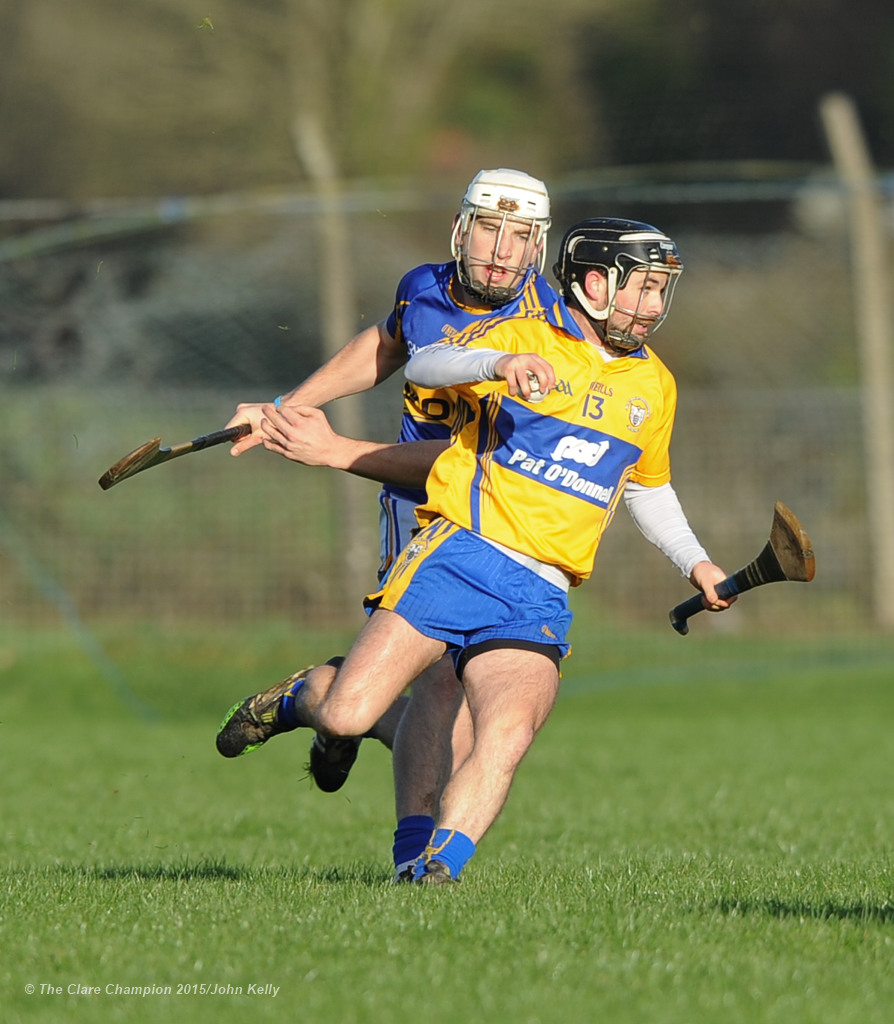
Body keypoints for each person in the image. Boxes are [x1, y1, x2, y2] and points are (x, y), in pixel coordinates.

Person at [216, 217, 735, 884]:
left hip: (538, 591)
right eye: (644, 289)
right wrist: (498, 363)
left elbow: (648, 487)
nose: (655, 308)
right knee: (347, 714)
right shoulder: (524, 336)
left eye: (664, 292)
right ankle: (305, 695)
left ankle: (432, 874)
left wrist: (696, 562)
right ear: (596, 283)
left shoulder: (654, 386)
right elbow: (427, 360)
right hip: (456, 554)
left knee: (505, 734)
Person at [217, 169, 559, 881]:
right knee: (437, 693)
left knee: (450, 712)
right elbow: (386, 346)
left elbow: (483, 457)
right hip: (418, 509)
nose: (500, 250)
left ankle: (332, 721)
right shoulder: (428, 289)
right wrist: (282, 406)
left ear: (539, 248)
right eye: (489, 229)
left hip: (493, 515)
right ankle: (326, 712)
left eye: (519, 236)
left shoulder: (554, 325)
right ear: (462, 229)